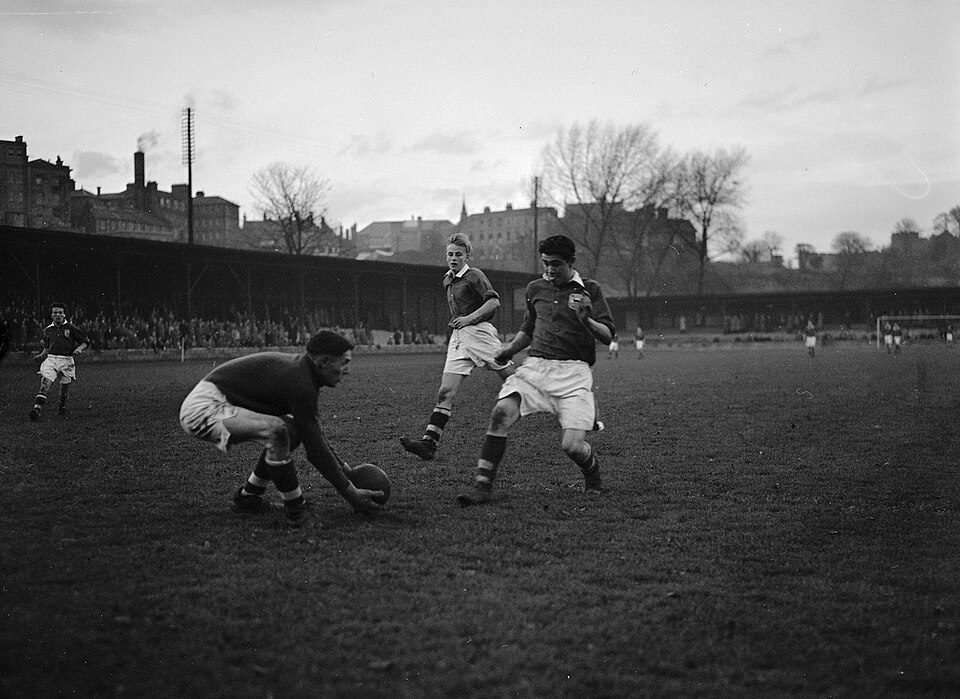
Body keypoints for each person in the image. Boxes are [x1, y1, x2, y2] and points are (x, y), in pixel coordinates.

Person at [457, 235, 616, 507]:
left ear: (571, 262)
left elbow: (607, 335)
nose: (550, 270)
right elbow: (528, 331)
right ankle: (482, 487)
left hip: (573, 373)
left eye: (556, 264)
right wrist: (508, 351)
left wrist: (586, 320)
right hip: (536, 368)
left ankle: (592, 474)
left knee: (572, 446)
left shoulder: (590, 290)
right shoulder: (535, 288)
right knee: (500, 414)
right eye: (545, 264)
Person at [179, 330, 384, 526]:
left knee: (291, 429)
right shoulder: (301, 381)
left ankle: (248, 497)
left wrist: (345, 471)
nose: (347, 371)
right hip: (203, 409)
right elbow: (315, 451)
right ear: (324, 361)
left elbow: (313, 433)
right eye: (345, 362)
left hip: (217, 402)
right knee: (277, 431)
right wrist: (351, 494)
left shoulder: (303, 372)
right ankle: (297, 512)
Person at [400, 233, 514, 461]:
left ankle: (551, 401)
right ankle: (428, 443)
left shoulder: (474, 276)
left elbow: (493, 302)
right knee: (445, 392)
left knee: (511, 377)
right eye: (450, 254)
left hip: (479, 333)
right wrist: (461, 323)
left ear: (467, 256)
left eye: (458, 254)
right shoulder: (448, 279)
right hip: (459, 338)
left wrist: (469, 319)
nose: (454, 258)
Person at [29, 302, 89, 421]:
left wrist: (78, 349)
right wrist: (41, 356)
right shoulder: (48, 330)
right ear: (51, 315)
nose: (58, 315)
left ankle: (62, 405)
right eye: (55, 313)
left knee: (64, 390)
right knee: (45, 383)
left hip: (67, 361)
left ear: (64, 314)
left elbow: (85, 341)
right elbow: (47, 348)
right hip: (51, 359)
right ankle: (37, 409)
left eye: (60, 313)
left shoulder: (71, 328)